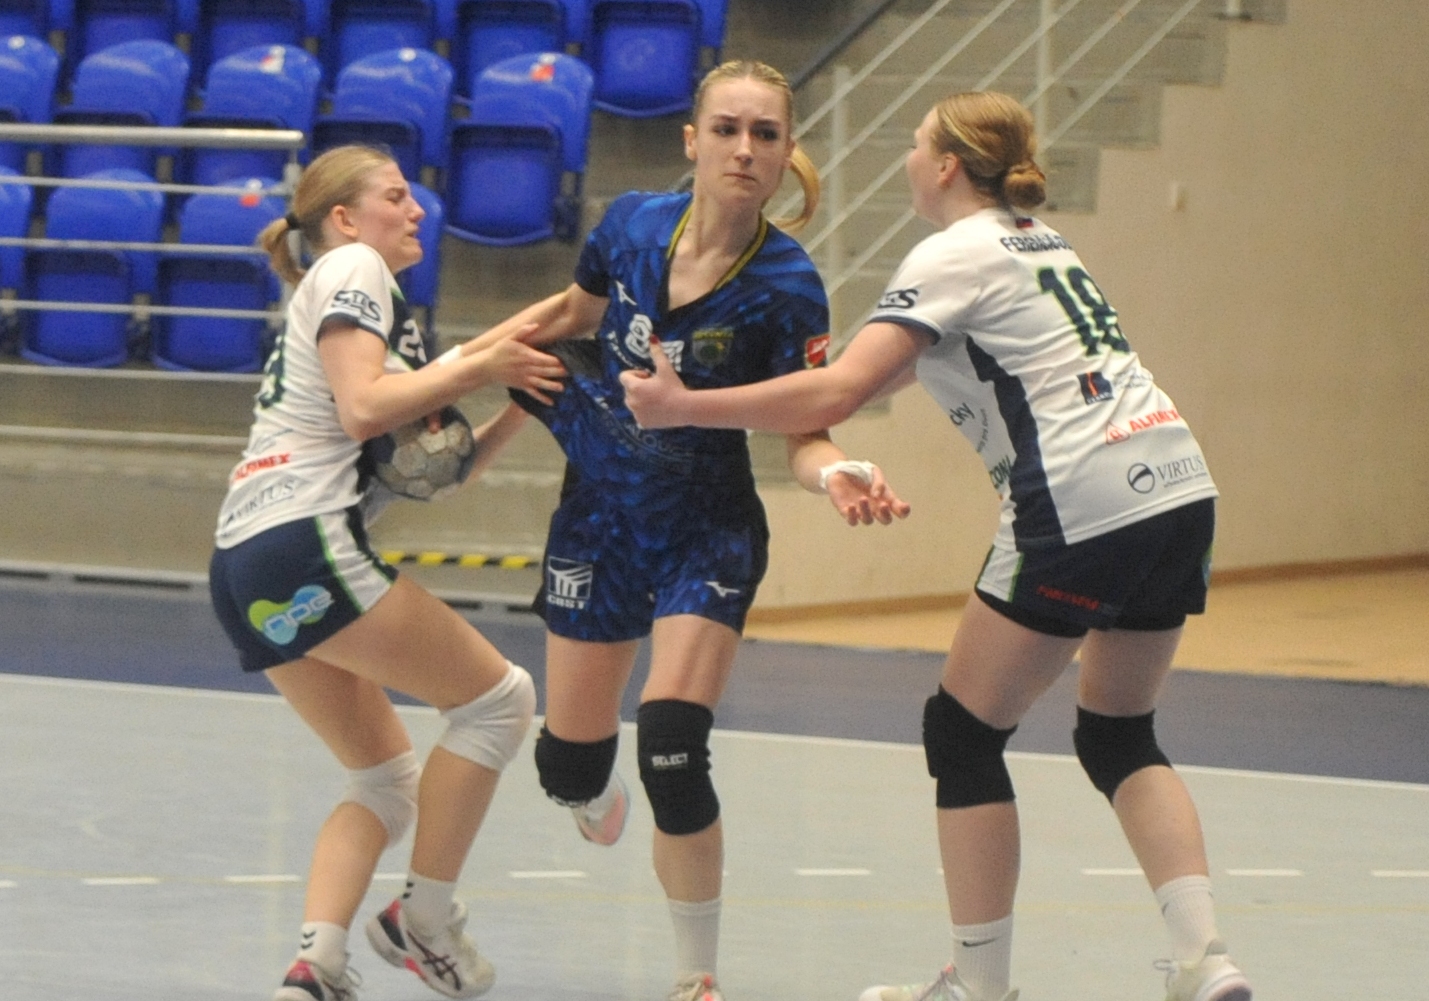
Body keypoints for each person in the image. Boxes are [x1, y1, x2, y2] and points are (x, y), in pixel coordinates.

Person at [620, 91, 1252, 1001]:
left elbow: (838, 389)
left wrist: (684, 405)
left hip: (1080, 498)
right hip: (1177, 486)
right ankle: (1206, 959)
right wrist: (819, 445)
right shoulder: (1037, 241)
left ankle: (979, 986)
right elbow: (884, 375)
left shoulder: (951, 253)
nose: (908, 159)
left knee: (960, 733)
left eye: (916, 144)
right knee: (1118, 732)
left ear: (947, 165)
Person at [477, 60, 910, 1001]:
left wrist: (833, 470)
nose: (744, 149)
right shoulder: (632, 226)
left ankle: (694, 978)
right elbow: (569, 321)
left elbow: (805, 427)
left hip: (705, 528)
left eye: (764, 134)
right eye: (726, 129)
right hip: (598, 518)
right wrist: (457, 375)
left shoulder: (787, 286)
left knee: (671, 741)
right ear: (693, 141)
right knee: (567, 765)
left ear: (786, 153)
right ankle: (584, 786)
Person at [208, 144, 567, 1001]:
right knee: (499, 700)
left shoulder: (360, 317)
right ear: (343, 217)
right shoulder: (354, 266)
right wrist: (484, 368)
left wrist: (525, 382)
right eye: (397, 195)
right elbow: (366, 409)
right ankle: (423, 917)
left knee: (381, 776)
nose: (416, 210)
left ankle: (316, 964)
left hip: (243, 566)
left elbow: (442, 465)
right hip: (303, 541)